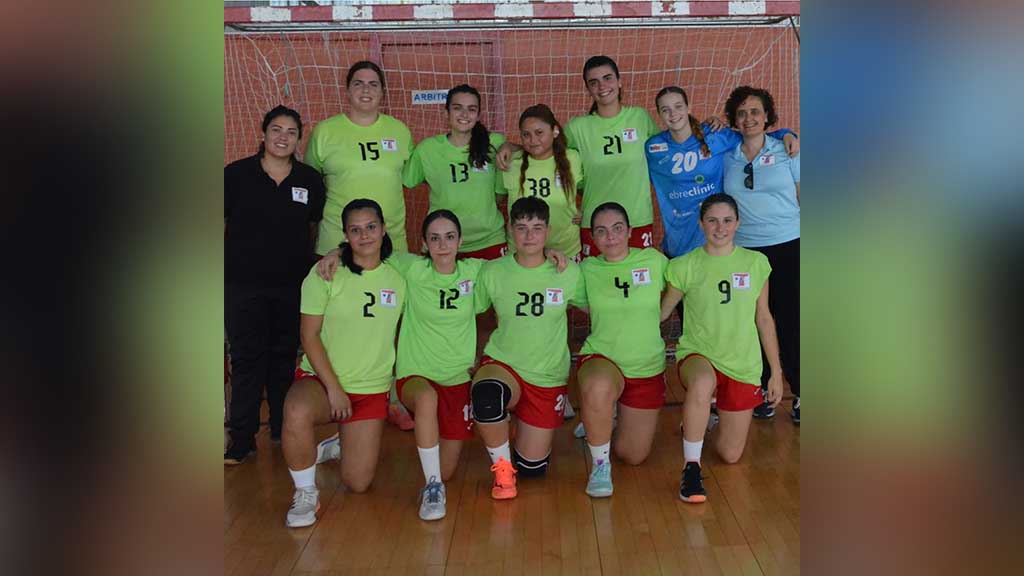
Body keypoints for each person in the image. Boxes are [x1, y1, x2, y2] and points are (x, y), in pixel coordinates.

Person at [280, 198, 406, 528]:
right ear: (345, 235)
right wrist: (334, 389)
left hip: (370, 389)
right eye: (355, 230)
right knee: (295, 409)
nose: (364, 236)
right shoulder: (324, 274)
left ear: (383, 228)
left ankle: (342, 441)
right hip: (323, 383)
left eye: (371, 227)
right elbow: (309, 336)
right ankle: (305, 492)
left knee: (358, 483)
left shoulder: (401, 275)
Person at [659, 193, 784, 503]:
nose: (720, 227)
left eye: (727, 220)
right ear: (701, 223)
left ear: (738, 223)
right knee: (702, 382)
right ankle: (691, 467)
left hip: (742, 364)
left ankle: (703, 416)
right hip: (698, 355)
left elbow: (765, 319)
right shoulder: (684, 265)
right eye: (712, 220)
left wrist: (776, 373)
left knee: (730, 455)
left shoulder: (756, 263)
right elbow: (660, 314)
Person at [224, 105, 325, 465]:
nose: (283, 137)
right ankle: (241, 438)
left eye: (291, 132)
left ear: (299, 138)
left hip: (290, 288)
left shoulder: (310, 180)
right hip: (242, 287)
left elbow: (312, 227)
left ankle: (284, 430)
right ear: (264, 133)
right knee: (247, 360)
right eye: (277, 130)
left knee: (283, 358)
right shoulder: (235, 176)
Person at [472, 197, 584, 499]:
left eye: (536, 228)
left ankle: (511, 427)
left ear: (547, 231)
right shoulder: (493, 272)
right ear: (510, 230)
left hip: (546, 376)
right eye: (521, 228)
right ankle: (503, 470)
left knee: (533, 469)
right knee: (487, 394)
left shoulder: (568, 272)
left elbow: (601, 306)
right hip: (504, 363)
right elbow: (465, 309)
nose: (529, 235)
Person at [575, 202, 669, 497]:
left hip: (646, 366)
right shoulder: (587, 269)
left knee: (633, 455)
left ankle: (605, 416)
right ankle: (600, 465)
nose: (611, 237)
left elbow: (685, 281)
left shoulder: (654, 260)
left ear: (630, 231)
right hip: (602, 356)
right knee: (599, 385)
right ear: (592, 237)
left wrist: (661, 314)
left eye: (617, 229)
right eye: (601, 231)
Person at [645, 86, 799, 259]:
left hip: (717, 240)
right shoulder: (652, 148)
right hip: (679, 239)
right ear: (658, 113)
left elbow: (753, 135)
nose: (673, 114)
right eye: (665, 110)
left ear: (688, 108)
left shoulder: (716, 135)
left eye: (678, 106)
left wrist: (785, 134)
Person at [722, 86, 800, 424]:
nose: (749, 118)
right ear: (734, 120)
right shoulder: (728, 155)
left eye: (755, 111)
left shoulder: (789, 150)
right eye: (742, 113)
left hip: (788, 245)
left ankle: (801, 392)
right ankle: (765, 391)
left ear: (767, 116)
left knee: (792, 321)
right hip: (747, 250)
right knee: (754, 321)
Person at [305, 60, 413, 255]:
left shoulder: (400, 131)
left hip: (391, 243)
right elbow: (311, 182)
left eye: (373, 84)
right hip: (336, 243)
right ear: (347, 91)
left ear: (382, 92)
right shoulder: (324, 132)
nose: (366, 90)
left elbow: (405, 180)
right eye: (358, 83)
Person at [403, 85, 509, 260]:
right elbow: (407, 180)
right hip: (444, 243)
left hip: (490, 241)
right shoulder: (427, 149)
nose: (465, 115)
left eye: (471, 109)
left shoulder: (495, 143)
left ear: (478, 115)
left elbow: (499, 196)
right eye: (457, 108)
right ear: (446, 113)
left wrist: (508, 146)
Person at [500, 104, 584, 260]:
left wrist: (585, 210)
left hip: (566, 250)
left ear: (555, 131)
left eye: (539, 133)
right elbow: (495, 201)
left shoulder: (573, 158)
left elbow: (589, 190)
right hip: (522, 253)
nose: (533, 140)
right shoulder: (510, 163)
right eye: (526, 135)